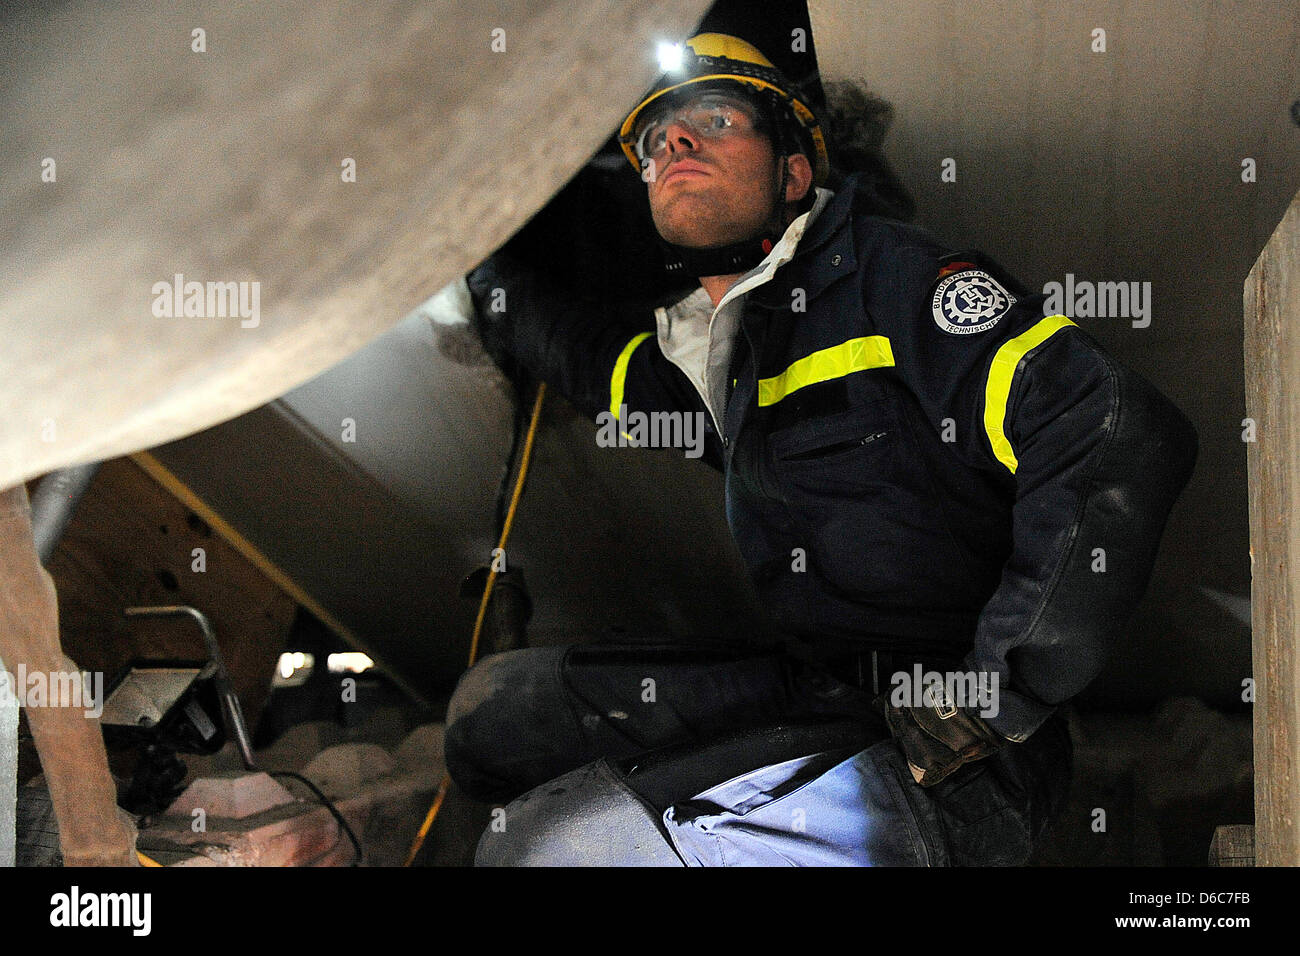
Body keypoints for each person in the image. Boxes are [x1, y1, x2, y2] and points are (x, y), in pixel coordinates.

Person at [447, 32, 1198, 865]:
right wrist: (478, 276)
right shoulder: (715, 351)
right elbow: (598, 366)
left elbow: (1115, 428)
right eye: (657, 141)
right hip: (823, 689)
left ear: (794, 173)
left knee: (543, 853)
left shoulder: (890, 279)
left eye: (715, 119)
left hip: (963, 759)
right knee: (492, 716)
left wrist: (997, 689)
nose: (676, 143)